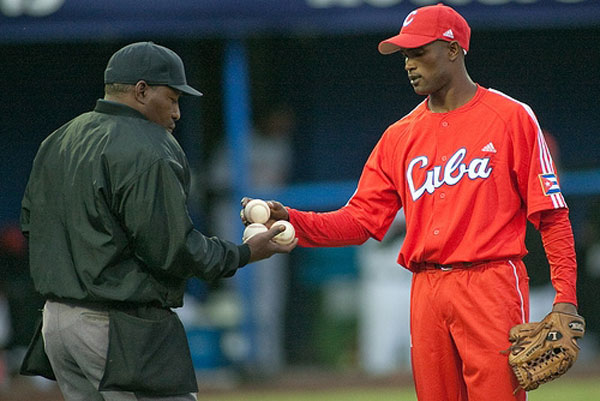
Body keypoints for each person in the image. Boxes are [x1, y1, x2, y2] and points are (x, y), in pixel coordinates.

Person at [242, 4, 581, 401]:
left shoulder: (511, 118)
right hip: (426, 290)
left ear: (453, 49)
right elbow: (360, 220)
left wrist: (566, 299)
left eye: (420, 52)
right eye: (405, 55)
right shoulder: (399, 136)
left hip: (491, 282)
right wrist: (296, 221)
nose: (409, 64)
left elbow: (552, 216)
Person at [19, 41, 296, 401]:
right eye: (173, 98)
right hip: (117, 324)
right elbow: (173, 249)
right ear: (142, 90)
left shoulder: (59, 139)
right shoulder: (150, 145)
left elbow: (31, 225)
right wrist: (243, 253)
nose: (177, 113)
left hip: (57, 325)